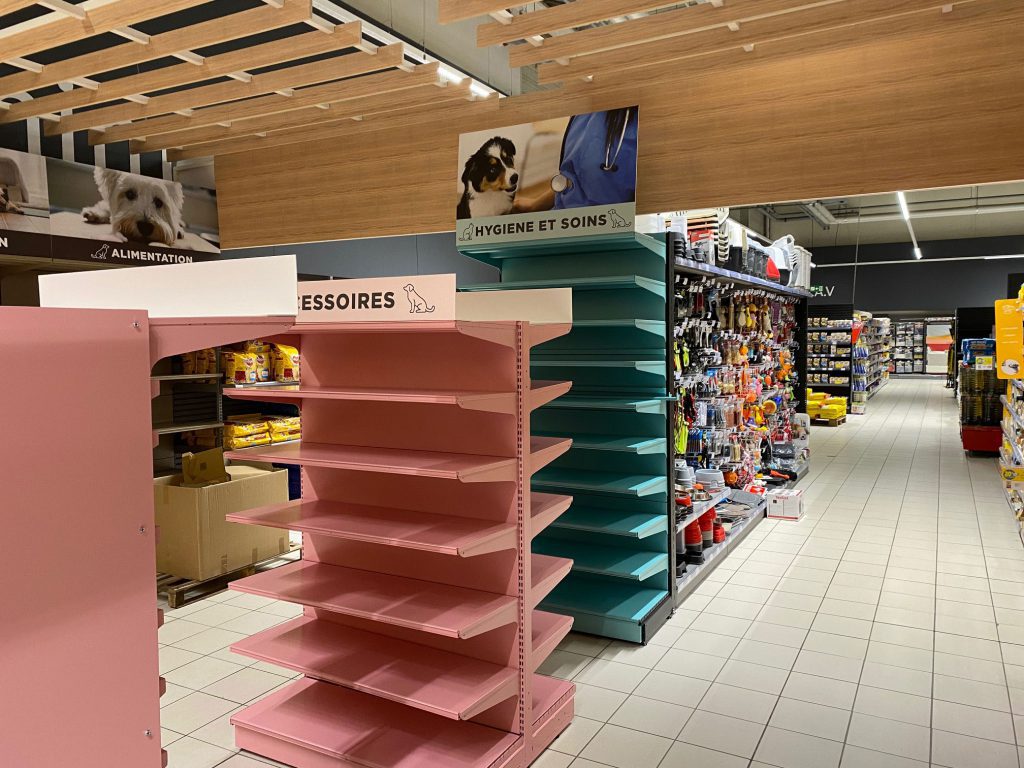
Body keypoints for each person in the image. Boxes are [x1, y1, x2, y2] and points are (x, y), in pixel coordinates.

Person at [513, 107, 638, 213]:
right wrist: (535, 204)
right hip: (567, 219)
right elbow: (572, 178)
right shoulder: (583, 113)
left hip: (607, 223)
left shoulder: (640, 121)